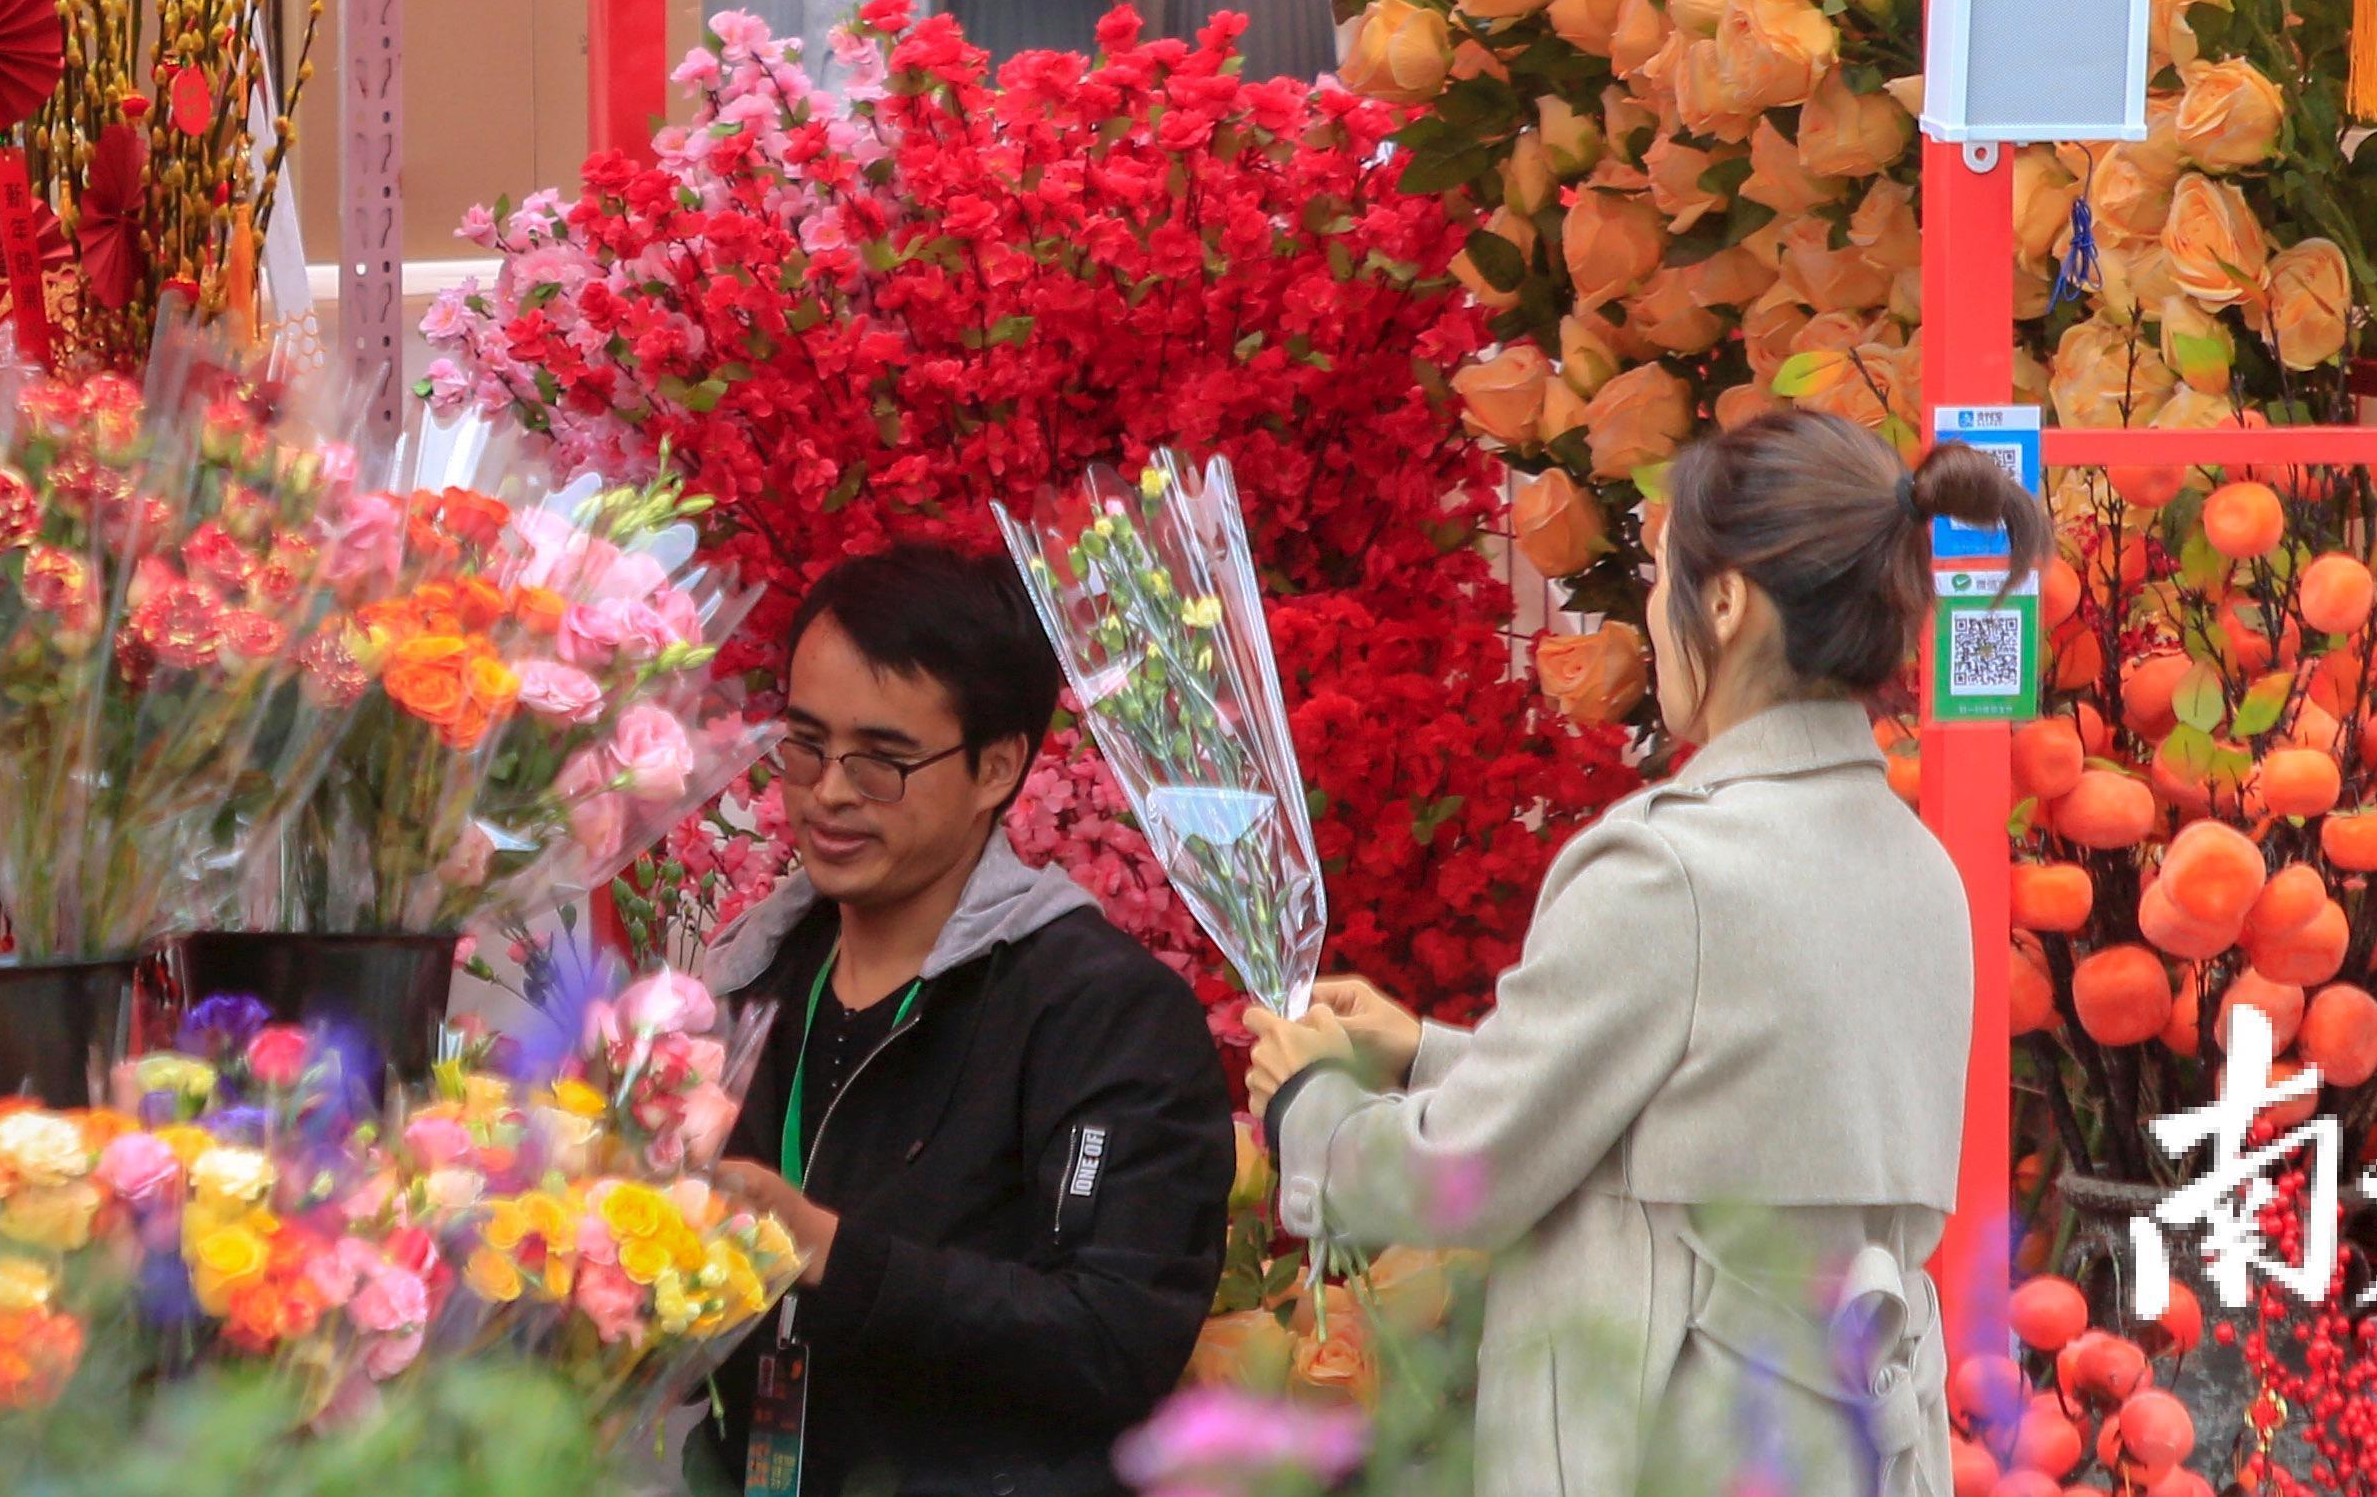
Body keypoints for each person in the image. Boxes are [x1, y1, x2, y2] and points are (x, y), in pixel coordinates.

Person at [1247, 409, 2039, 1497]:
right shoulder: (1920, 875)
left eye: (1665, 579)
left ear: (1724, 601)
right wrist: (1427, 1054)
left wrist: (1309, 1110)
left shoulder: (1668, 870)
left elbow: (1463, 1179)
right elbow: (1690, 1126)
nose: (1656, 619)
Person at [691, 542, 1232, 1497]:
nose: (829, 791)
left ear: (996, 767)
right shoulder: (750, 980)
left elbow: (1113, 1338)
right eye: (807, 743)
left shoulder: (1102, 1012)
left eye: (883, 760)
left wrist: (829, 1254)